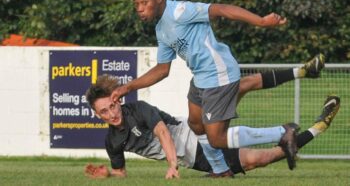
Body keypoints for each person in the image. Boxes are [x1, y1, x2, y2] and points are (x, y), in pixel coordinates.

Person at [110, 0, 326, 173]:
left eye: (144, 2)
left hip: (217, 73)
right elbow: (162, 69)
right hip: (201, 78)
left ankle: (283, 132)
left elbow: (221, 9)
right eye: (136, 4)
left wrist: (261, 21)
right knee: (195, 123)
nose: (139, 8)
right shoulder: (161, 29)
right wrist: (127, 88)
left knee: (217, 138)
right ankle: (220, 170)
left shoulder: (180, 11)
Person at [84, 75, 340, 179]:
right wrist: (108, 174)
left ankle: (284, 128)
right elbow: (121, 173)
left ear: (118, 101)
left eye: (112, 106)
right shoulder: (112, 142)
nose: (111, 114)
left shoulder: (137, 109)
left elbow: (163, 132)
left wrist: (171, 163)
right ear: (97, 115)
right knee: (261, 159)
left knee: (234, 99)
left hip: (196, 134)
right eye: (103, 112)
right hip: (195, 160)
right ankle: (317, 127)